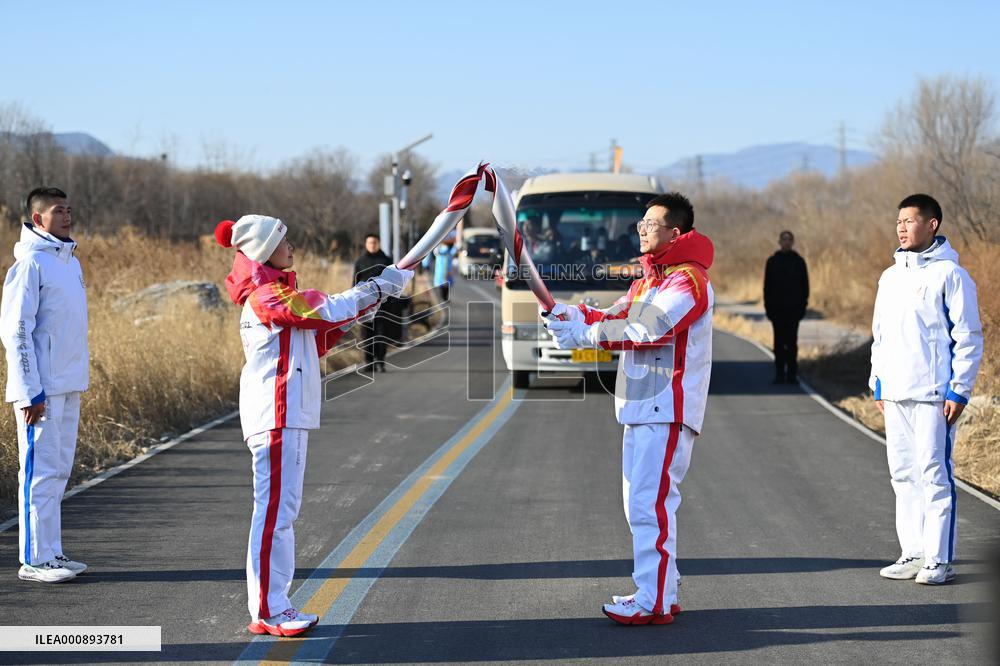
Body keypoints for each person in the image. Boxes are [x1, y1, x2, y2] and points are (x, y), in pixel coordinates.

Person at [215, 215, 412, 636]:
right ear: (263, 249)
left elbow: (320, 332)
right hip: (276, 414)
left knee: (281, 512)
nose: (292, 247)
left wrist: (375, 298)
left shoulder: (276, 295)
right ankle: (270, 609)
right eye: (284, 241)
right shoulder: (266, 296)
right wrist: (375, 288)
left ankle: (273, 606)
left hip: (289, 414)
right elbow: (322, 309)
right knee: (274, 514)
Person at [545, 193, 714, 625]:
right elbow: (611, 314)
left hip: (668, 407)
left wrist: (585, 336)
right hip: (639, 408)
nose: (642, 229)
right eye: (641, 222)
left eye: (651, 223)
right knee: (640, 505)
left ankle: (651, 600)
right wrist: (569, 314)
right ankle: (662, 590)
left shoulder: (688, 280)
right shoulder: (646, 281)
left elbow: (647, 329)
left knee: (649, 505)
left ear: (676, 232)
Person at [870, 194, 982, 586]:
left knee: (935, 474)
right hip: (896, 392)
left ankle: (939, 558)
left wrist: (959, 390)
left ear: (932, 224)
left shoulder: (951, 276)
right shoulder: (890, 276)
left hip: (934, 394)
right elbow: (880, 335)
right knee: (903, 475)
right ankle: (913, 552)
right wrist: (878, 381)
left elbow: (968, 336)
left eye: (910, 220)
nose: (902, 227)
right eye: (898, 221)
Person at [0, 187, 89, 584]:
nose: (67, 216)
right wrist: (29, 390)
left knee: (58, 471)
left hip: (69, 383)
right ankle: (33, 559)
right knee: (38, 472)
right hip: (42, 389)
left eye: (69, 209)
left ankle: (52, 552)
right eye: (58, 211)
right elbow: (17, 331)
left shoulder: (70, 263)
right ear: (38, 219)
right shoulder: (31, 264)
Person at [763, 230, 809, 384]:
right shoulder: (772, 261)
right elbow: (767, 287)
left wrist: (803, 307)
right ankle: (779, 374)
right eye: (784, 239)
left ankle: (792, 375)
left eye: (789, 239)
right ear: (779, 242)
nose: (787, 242)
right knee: (778, 343)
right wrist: (768, 308)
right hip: (777, 311)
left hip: (794, 311)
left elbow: (805, 287)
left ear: (793, 242)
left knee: (791, 343)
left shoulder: (799, 262)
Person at [353, 234, 402, 373]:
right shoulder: (360, 261)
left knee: (381, 334)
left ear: (378, 243)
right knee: (366, 335)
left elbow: (393, 281)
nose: (372, 245)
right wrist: (355, 302)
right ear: (366, 244)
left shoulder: (386, 260)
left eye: (374, 242)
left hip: (383, 304)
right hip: (365, 304)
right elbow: (355, 283)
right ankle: (369, 362)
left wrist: (392, 300)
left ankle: (380, 361)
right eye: (369, 242)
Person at [422, 235, 457, 303]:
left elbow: (454, 250)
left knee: (446, 285)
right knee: (443, 285)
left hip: (446, 270)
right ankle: (444, 298)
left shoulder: (448, 253)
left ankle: (445, 298)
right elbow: (436, 250)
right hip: (441, 270)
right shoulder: (440, 252)